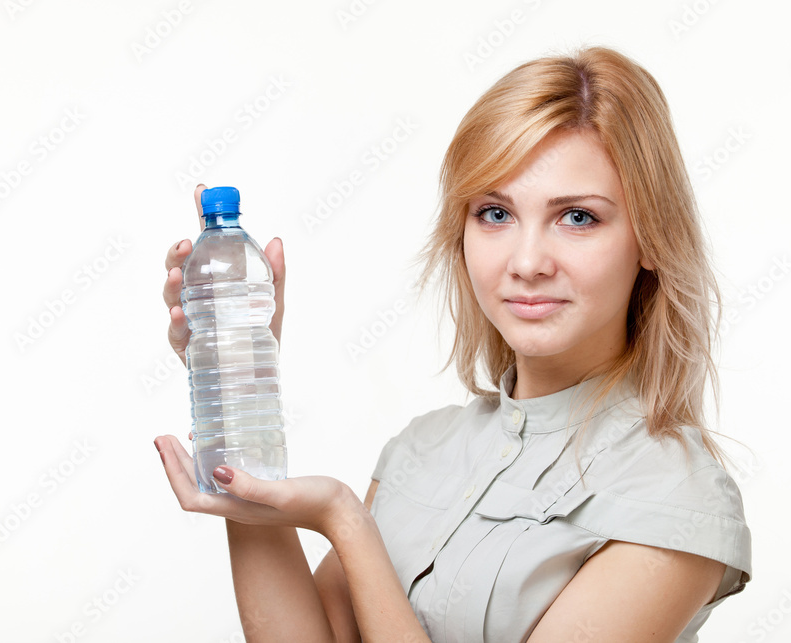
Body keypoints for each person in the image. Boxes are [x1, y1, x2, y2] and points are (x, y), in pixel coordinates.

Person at [155, 45, 752, 642]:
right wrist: (240, 391)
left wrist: (346, 522)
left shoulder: (675, 493)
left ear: (651, 237)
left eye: (577, 217)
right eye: (495, 213)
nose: (526, 262)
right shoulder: (423, 449)